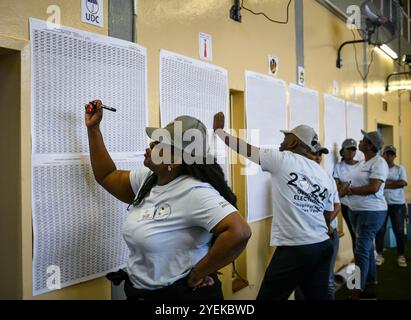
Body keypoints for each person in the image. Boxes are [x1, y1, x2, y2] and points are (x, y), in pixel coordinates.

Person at [85, 100, 251, 300]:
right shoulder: (148, 180)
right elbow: (107, 175)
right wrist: (93, 129)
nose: (150, 145)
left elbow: (239, 232)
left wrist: (199, 272)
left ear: (175, 160)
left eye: (157, 144)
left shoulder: (194, 192)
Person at [213, 112, 335, 300]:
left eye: (286, 138)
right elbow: (327, 214)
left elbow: (246, 149)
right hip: (322, 246)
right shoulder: (323, 174)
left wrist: (220, 132)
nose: (282, 142)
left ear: (294, 143)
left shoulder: (283, 159)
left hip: (296, 248)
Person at [339, 130, 388, 300]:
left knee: (360, 251)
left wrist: (350, 190)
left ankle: (356, 291)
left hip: (372, 212)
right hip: (356, 211)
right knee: (367, 249)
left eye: (363, 140)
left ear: (370, 145)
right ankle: (369, 287)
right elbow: (350, 182)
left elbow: (374, 187)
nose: (360, 142)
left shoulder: (379, 163)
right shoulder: (361, 164)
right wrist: (344, 187)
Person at [375, 145, 408, 268]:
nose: (389, 156)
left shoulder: (400, 169)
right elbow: (375, 183)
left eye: (391, 154)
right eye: (387, 154)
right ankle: (379, 253)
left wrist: (385, 184)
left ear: (395, 156)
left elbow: (403, 182)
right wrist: (393, 183)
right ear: (383, 155)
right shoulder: (380, 169)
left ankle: (401, 255)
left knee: (398, 229)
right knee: (380, 230)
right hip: (381, 204)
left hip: (397, 204)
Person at [333, 139, 361, 257]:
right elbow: (338, 190)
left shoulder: (362, 165)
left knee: (361, 236)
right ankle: (358, 264)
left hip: (361, 205)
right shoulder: (338, 167)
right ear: (342, 151)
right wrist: (345, 187)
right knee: (355, 234)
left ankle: (364, 263)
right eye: (348, 149)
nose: (351, 151)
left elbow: (364, 186)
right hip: (346, 206)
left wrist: (346, 186)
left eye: (353, 149)